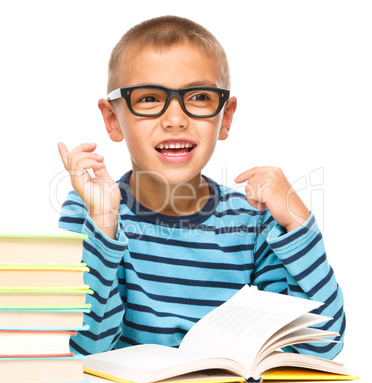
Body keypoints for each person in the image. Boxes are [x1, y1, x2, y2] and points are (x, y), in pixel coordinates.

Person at [57, 15, 345, 359]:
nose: (175, 118)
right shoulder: (89, 211)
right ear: (112, 120)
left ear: (225, 117)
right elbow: (81, 349)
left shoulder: (253, 221)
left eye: (198, 97)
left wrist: (298, 224)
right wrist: (104, 225)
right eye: (148, 98)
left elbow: (320, 345)